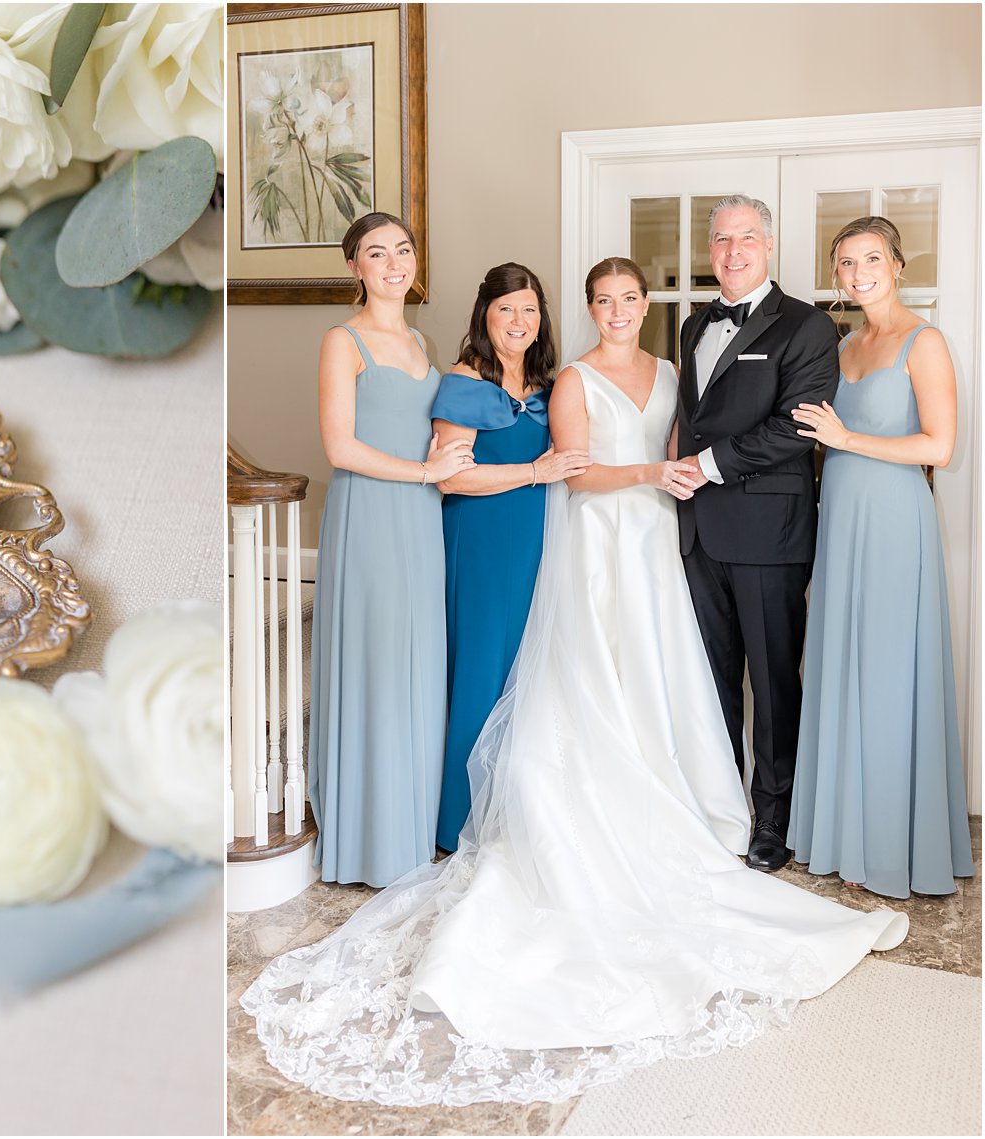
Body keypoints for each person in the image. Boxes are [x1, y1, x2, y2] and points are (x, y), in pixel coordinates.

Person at [242, 256, 906, 1106]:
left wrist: (683, 483)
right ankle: (491, 818)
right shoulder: (552, 380)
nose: (620, 309)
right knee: (571, 679)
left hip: (659, 547)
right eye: (605, 299)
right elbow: (573, 467)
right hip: (591, 541)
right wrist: (648, 477)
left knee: (660, 682)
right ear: (585, 309)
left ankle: (685, 803)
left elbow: (686, 446)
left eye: (631, 299)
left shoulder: (670, 367)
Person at [787, 216, 974, 898]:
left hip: (895, 520)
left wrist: (847, 437)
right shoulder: (841, 346)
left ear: (896, 264)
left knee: (891, 669)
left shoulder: (925, 342)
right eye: (845, 262)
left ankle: (895, 842)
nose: (858, 271)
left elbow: (939, 448)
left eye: (870, 258)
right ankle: (840, 833)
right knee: (839, 662)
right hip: (839, 517)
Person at [307, 211, 474, 887]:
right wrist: (425, 473)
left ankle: (406, 833)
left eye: (402, 249)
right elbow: (339, 447)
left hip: (421, 519)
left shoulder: (419, 338)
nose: (394, 262)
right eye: (377, 253)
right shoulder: (341, 341)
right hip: (370, 515)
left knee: (416, 663)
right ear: (355, 267)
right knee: (376, 661)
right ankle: (365, 843)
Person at [674, 194, 840, 873]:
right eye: (721, 239)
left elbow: (797, 424)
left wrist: (707, 464)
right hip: (696, 534)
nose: (732, 251)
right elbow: (694, 416)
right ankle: (720, 808)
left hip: (770, 533)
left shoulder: (806, 325)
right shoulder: (689, 327)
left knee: (773, 684)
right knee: (708, 682)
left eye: (745, 238)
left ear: (768, 245)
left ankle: (774, 819)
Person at [429, 264, 589, 851]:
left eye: (528, 309)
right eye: (505, 309)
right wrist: (533, 472)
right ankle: (460, 821)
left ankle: (512, 806)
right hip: (480, 539)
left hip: (533, 539)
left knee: (526, 671)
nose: (518, 321)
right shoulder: (465, 381)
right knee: (480, 671)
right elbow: (451, 479)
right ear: (485, 316)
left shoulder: (549, 385)